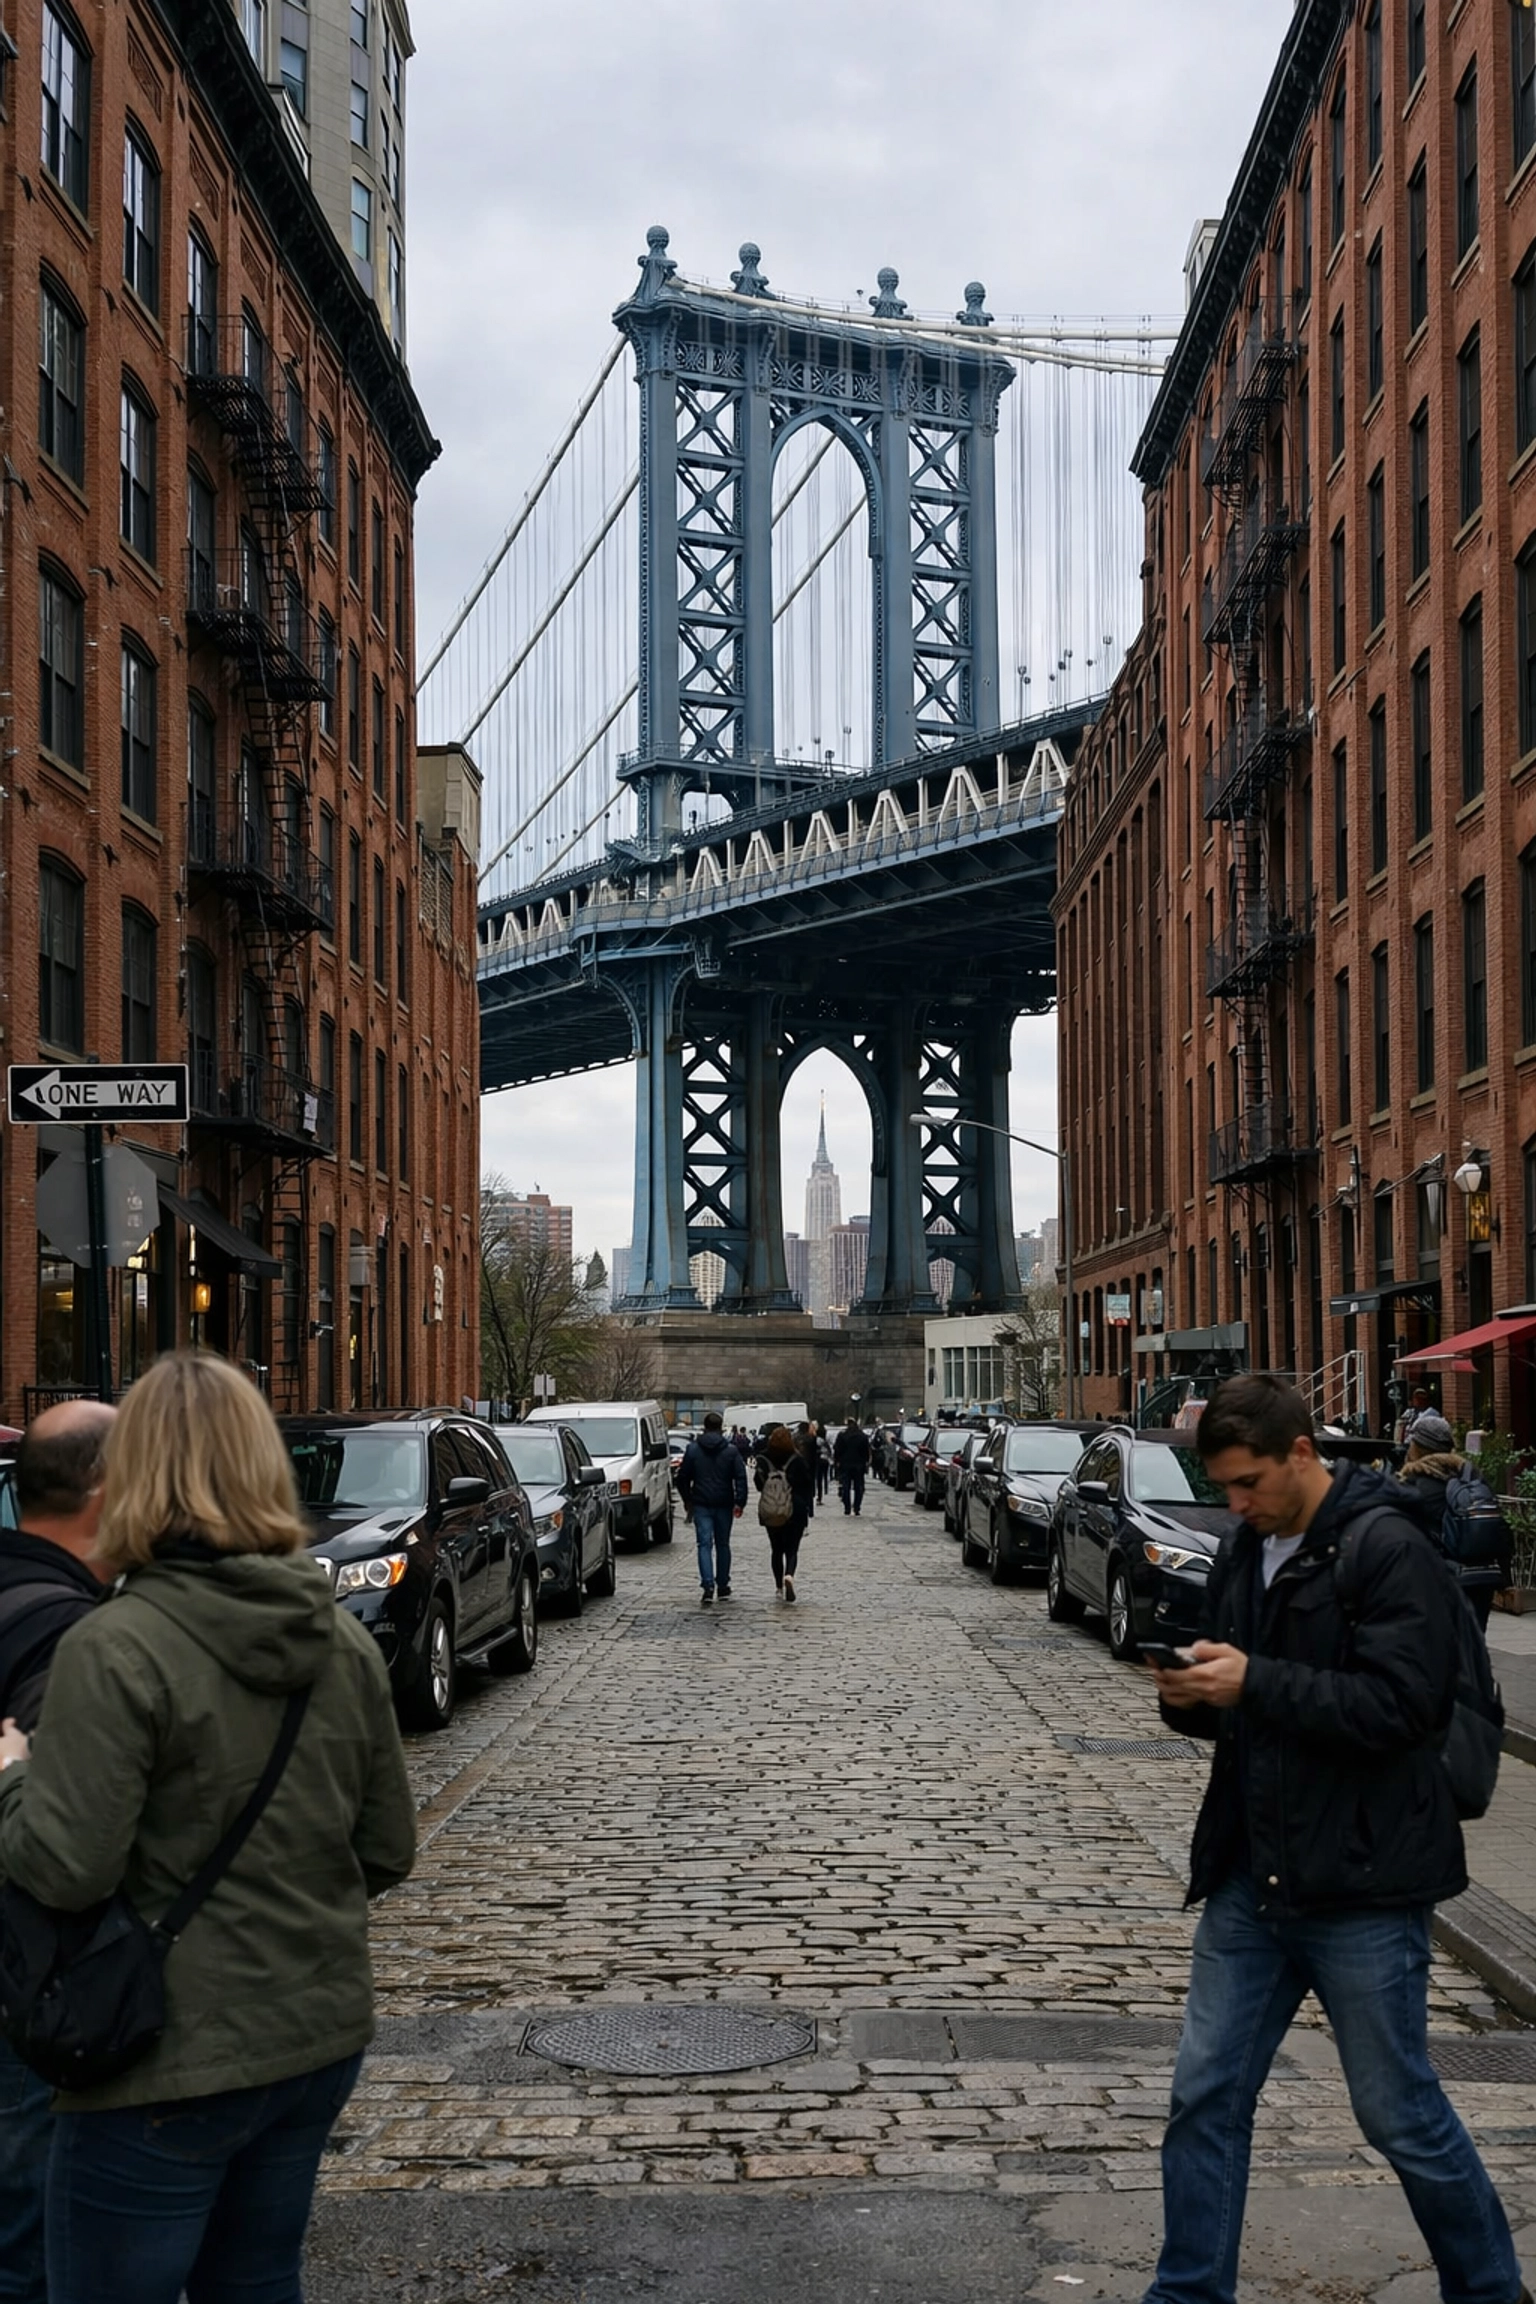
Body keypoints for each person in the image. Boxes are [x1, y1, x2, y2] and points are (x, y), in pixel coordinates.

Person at [0, 1350, 417, 2304]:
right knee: (259, 2284)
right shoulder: (342, 1639)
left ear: (139, 1471)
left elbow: (63, 1870)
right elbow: (387, 1847)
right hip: (313, 2039)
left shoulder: (116, 1646)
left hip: (162, 2063)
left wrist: (11, 1779)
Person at [1143, 1372, 1526, 2304]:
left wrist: (1254, 1685)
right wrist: (1194, 1696)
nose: (1236, 1505)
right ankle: (1189, 2294)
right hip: (1252, 1874)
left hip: (1364, 1878)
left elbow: (1402, 1708)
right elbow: (1244, 1705)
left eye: (1248, 1484)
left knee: (1397, 2112)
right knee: (1204, 2101)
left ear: (1302, 1455)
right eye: (1224, 1488)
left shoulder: (1387, 1548)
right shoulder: (1246, 1548)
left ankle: (1489, 2291)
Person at [0, 1401, 116, 2304]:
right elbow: (64, 1848)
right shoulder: (72, 1638)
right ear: (103, 1491)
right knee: (33, 2242)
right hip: (29, 1986)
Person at [1398, 1412, 1511, 1633]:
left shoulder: (1414, 1485)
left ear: (1418, 1446)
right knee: (1472, 1649)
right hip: (1480, 1583)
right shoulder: (1472, 1479)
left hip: (1437, 1583)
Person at [676, 1411, 746, 1606]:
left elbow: (682, 1477)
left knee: (704, 1544)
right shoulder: (731, 1451)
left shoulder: (693, 1450)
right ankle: (722, 1584)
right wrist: (740, 1501)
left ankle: (708, 1585)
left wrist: (687, 1499)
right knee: (723, 1544)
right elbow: (740, 1477)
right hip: (724, 1502)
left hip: (701, 1502)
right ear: (721, 1427)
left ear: (704, 1427)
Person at [754, 1425, 814, 1602]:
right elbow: (807, 1486)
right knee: (792, 1549)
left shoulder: (763, 1458)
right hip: (795, 1508)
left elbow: (758, 1483)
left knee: (776, 1549)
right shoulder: (797, 1459)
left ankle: (778, 1587)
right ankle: (789, 1574)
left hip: (773, 1508)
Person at [833, 1416, 870, 1517]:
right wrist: (866, 1462)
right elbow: (866, 1452)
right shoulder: (862, 1436)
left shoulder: (842, 1435)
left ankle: (847, 1507)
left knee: (846, 1486)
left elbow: (837, 1449)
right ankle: (857, 1507)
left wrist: (837, 1461)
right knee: (859, 1487)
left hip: (845, 1463)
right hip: (859, 1464)